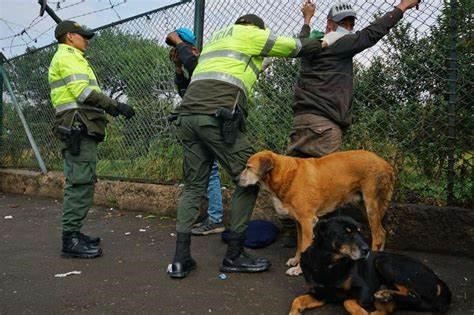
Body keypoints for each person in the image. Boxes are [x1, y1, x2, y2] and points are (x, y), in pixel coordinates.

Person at [166, 13, 342, 279]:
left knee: (193, 186)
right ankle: (234, 255)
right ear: (257, 29)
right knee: (248, 180)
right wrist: (328, 40)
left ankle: (180, 260)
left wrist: (306, 21)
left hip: (187, 117)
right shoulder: (250, 34)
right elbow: (297, 47)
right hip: (217, 117)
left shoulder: (217, 39)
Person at [280, 0, 422, 246]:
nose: (349, 27)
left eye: (351, 23)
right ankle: (322, 249)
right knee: (325, 189)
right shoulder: (340, 44)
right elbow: (370, 35)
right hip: (323, 124)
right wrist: (402, 6)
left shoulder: (309, 46)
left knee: (298, 187)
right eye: (345, 23)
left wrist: (306, 20)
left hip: (300, 122)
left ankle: (300, 244)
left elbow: (300, 43)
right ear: (331, 25)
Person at [48, 20, 135, 258]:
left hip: (80, 125)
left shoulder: (73, 57)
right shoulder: (68, 57)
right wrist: (115, 105)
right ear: (69, 37)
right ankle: (70, 240)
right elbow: (83, 93)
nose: (87, 40)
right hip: (77, 125)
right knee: (80, 182)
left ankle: (74, 232)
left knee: (83, 180)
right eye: (83, 35)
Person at [166, 28, 225, 236]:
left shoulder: (204, 61)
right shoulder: (192, 66)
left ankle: (216, 217)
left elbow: (194, 67)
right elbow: (185, 93)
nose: (177, 52)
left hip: (211, 120)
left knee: (213, 171)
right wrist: (178, 69)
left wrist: (184, 56)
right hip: (197, 122)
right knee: (202, 172)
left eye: (179, 47)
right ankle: (212, 215)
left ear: (192, 48)